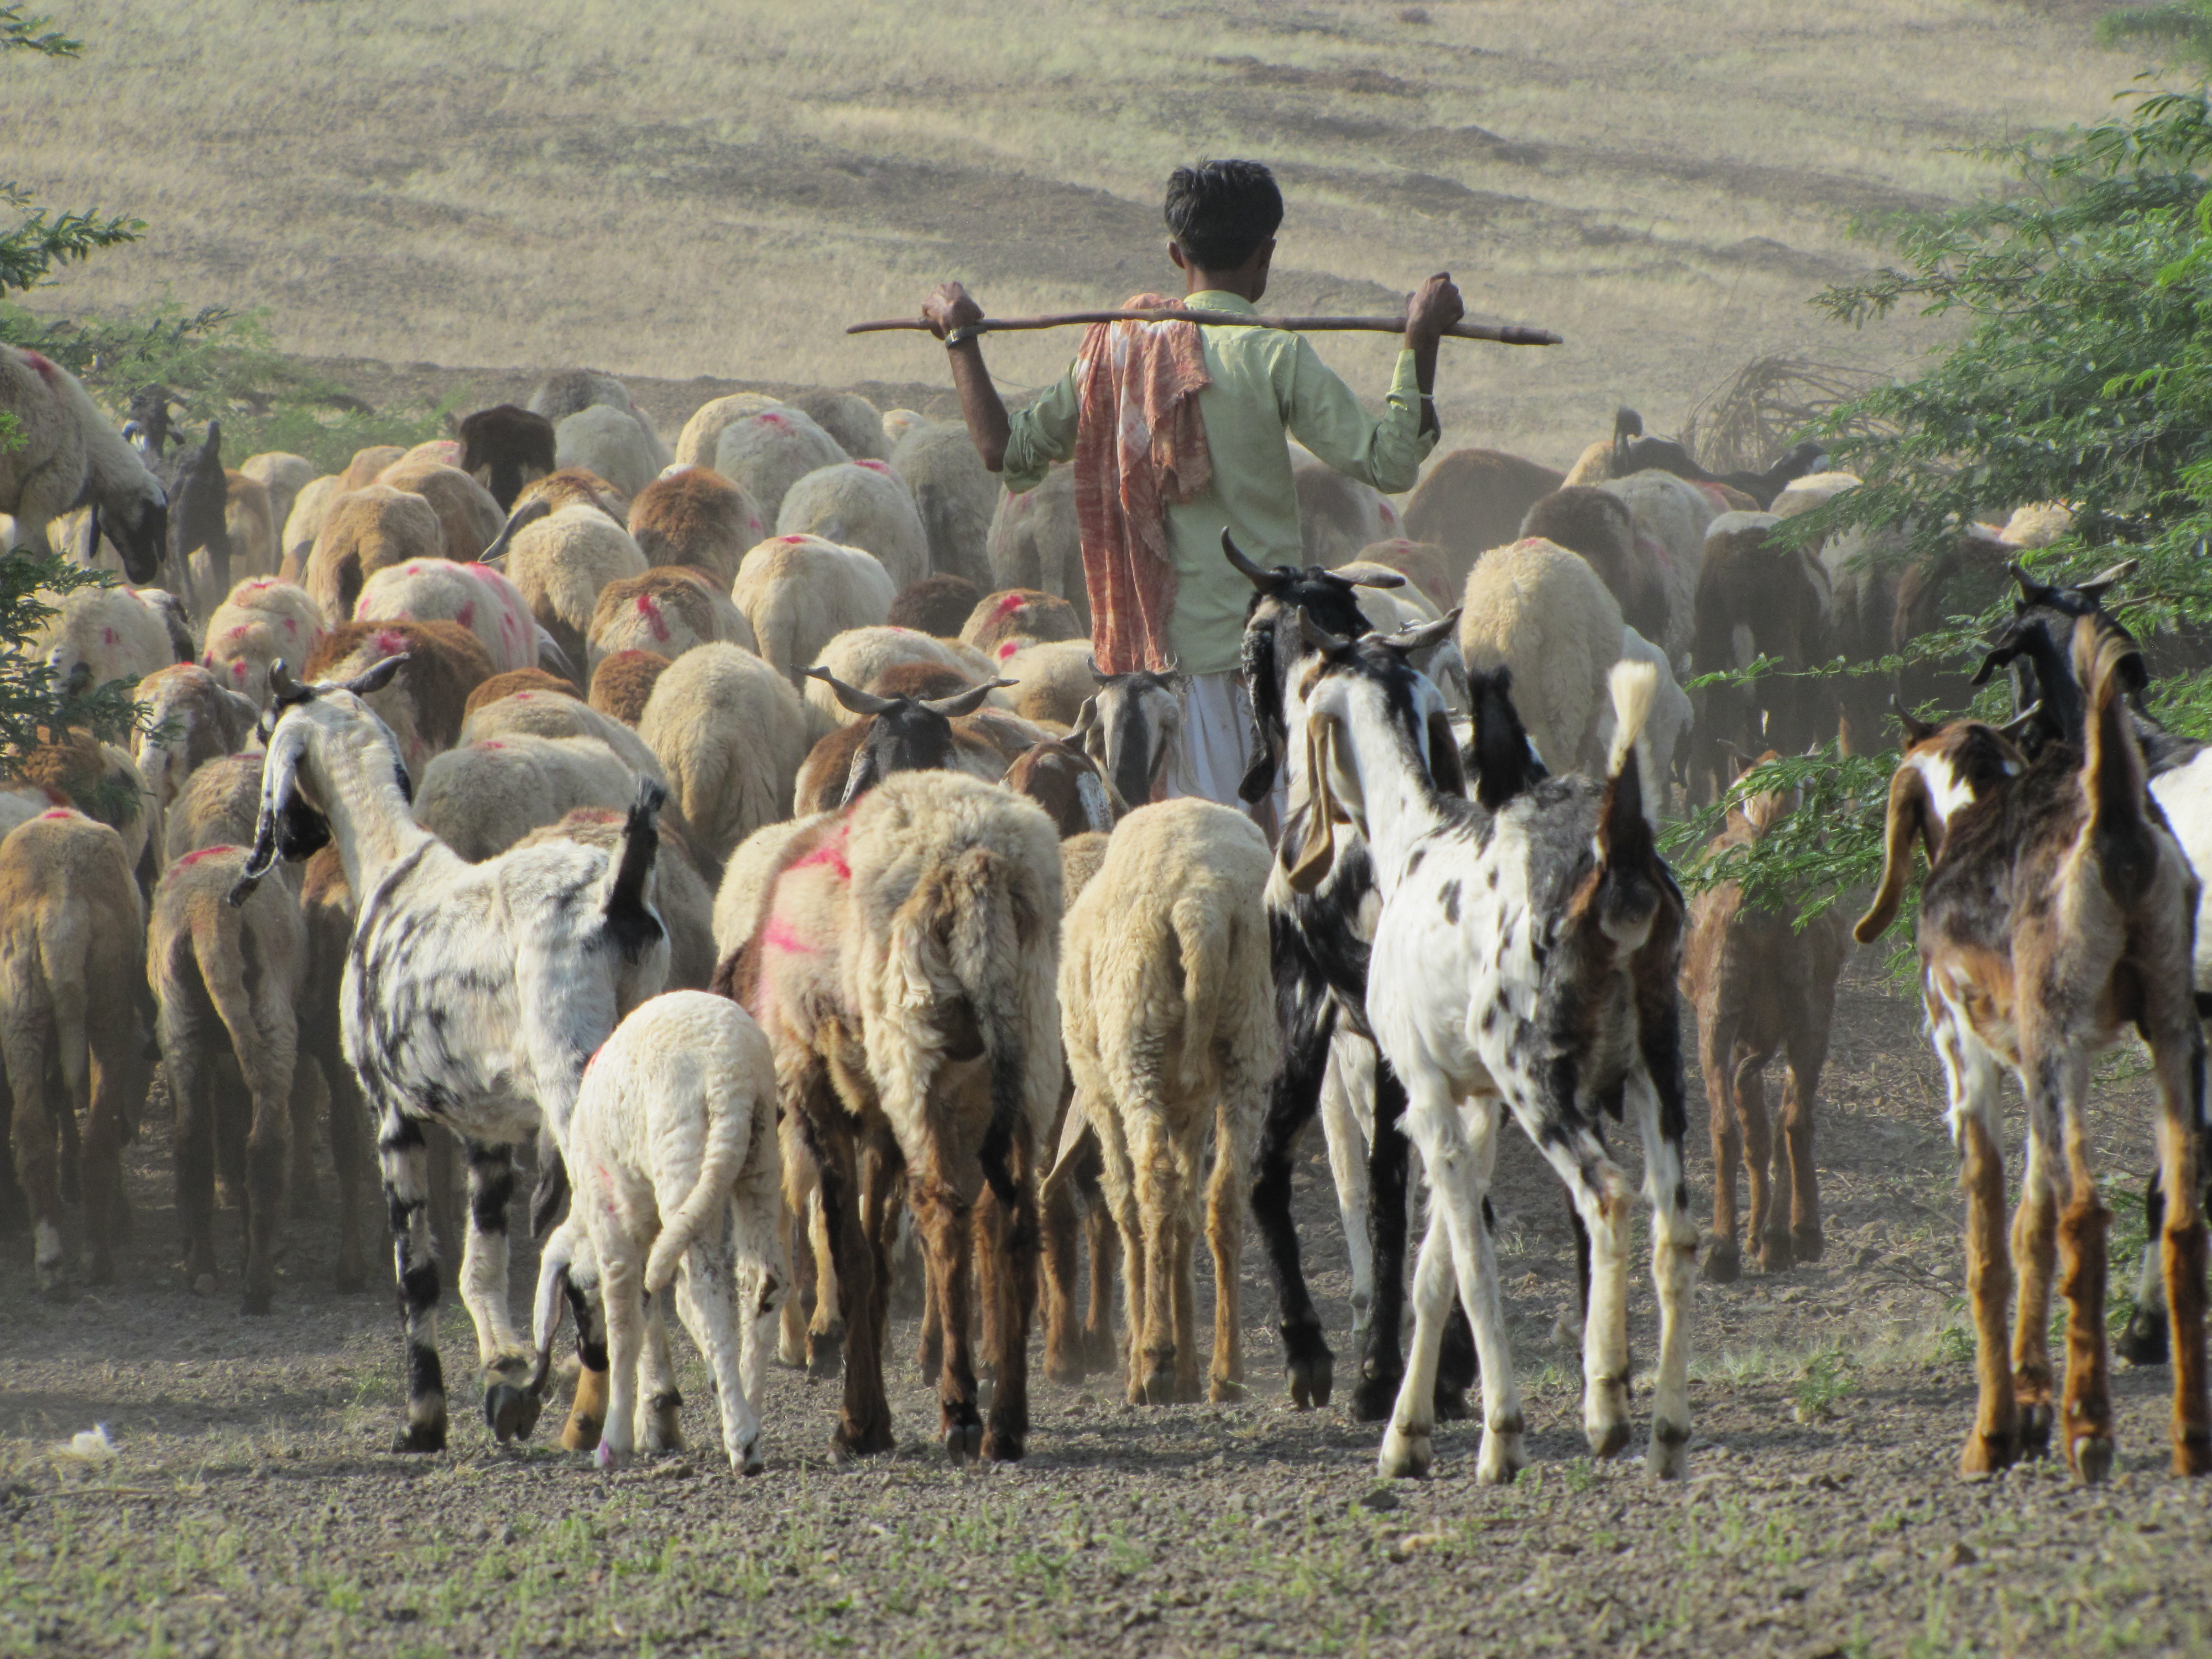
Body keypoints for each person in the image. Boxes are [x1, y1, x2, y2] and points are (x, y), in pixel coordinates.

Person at [922, 158, 1462, 820]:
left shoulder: (1117, 353)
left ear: (1177, 255)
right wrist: (1421, 342)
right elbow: (1391, 460)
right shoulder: (1271, 353)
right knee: (1292, 870)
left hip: (1152, 692)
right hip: (1274, 674)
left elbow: (1003, 451)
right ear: (1267, 256)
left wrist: (959, 337)